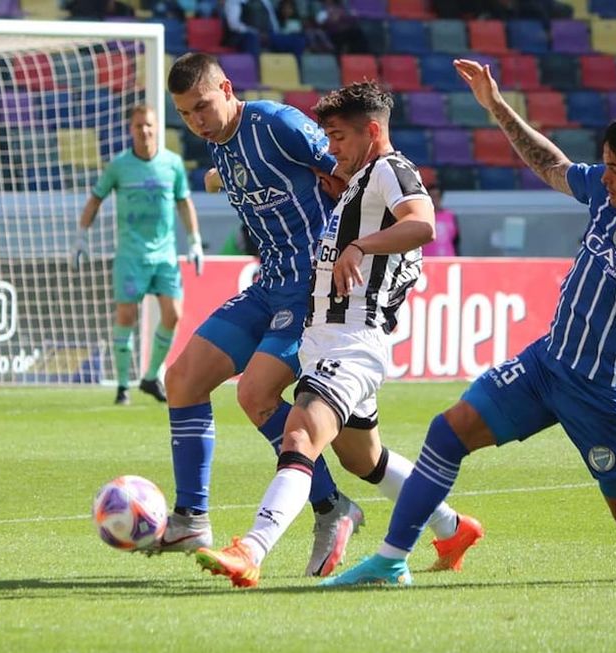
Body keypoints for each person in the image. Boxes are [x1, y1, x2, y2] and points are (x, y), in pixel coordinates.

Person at [324, 59, 616, 586]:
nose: (604, 177)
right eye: (604, 165)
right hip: (547, 363)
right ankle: (392, 560)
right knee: (447, 431)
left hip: (602, 392)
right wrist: (497, 107)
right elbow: (551, 165)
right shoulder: (606, 189)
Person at [193, 81, 484, 588]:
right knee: (362, 459)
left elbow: (422, 223)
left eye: (338, 137)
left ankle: (251, 549)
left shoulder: (391, 169)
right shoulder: (358, 181)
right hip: (331, 340)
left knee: (300, 435)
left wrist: (360, 247)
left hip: (350, 341)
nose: (330, 150)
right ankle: (452, 527)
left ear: (372, 131)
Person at [159, 52, 365, 576]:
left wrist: (353, 228)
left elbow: (353, 167)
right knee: (181, 380)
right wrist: (213, 178)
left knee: (255, 394)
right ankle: (190, 518)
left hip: (313, 290)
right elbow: (238, 173)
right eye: (185, 114)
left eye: (203, 106)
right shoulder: (217, 143)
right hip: (268, 284)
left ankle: (330, 506)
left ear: (227, 88)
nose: (197, 120)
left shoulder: (276, 123)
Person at [72, 105, 204, 406]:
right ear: (130, 130)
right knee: (126, 316)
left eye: (148, 125)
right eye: (138, 126)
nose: (144, 131)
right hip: (130, 257)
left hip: (165, 256)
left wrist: (195, 241)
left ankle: (150, 376)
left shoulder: (172, 164)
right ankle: (122, 386)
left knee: (173, 315)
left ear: (156, 128)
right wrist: (81, 237)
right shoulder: (119, 166)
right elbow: (95, 200)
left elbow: (184, 203)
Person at [421, 183, 460, 257]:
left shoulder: (450, 215)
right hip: (428, 260)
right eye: (432, 196)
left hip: (448, 259)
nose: (434, 199)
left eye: (437, 196)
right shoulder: (422, 216)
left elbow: (456, 240)